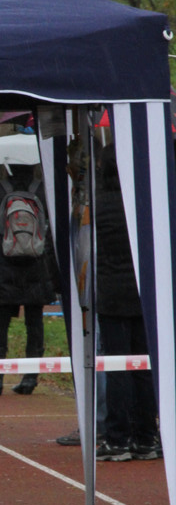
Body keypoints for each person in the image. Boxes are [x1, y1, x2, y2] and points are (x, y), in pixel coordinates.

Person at [95, 143, 161, 461]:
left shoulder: (96, 207)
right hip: (143, 295)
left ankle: (118, 438)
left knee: (117, 368)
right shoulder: (145, 204)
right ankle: (147, 436)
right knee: (144, 368)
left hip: (110, 296)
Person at [0, 161, 57, 396]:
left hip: (4, 264)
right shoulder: (42, 190)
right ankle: (30, 377)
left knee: (0, 322)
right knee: (34, 323)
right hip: (35, 264)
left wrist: (0, 235)